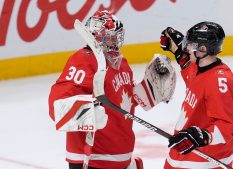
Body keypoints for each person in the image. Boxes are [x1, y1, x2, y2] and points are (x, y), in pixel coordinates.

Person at [48, 10, 176, 169]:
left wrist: (150, 90)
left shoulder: (121, 63)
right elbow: (57, 107)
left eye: (117, 37)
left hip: (122, 156)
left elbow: (123, 103)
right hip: (92, 159)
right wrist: (88, 114)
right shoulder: (84, 60)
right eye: (110, 37)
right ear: (96, 36)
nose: (115, 42)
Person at [160, 21, 233, 169]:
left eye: (190, 44)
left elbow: (227, 128)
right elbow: (190, 73)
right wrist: (177, 52)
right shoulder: (198, 67)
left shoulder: (220, 82)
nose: (186, 48)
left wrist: (202, 136)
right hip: (182, 153)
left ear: (202, 49)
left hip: (206, 162)